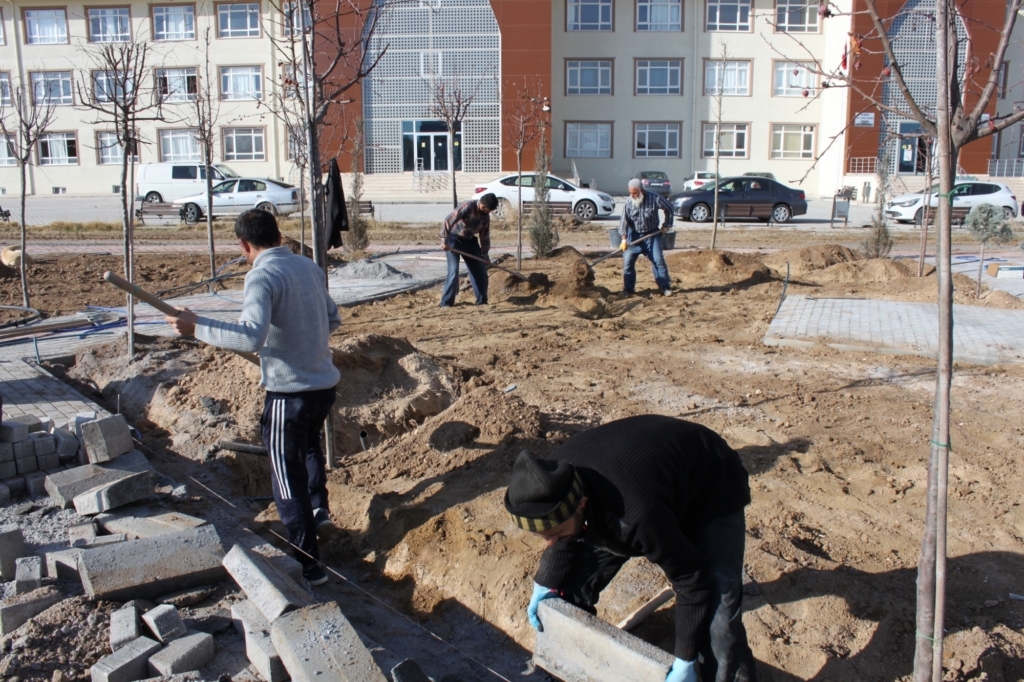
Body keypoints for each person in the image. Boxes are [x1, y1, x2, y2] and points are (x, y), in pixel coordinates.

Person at [504, 415, 757, 682]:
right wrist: (546, 583)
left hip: (710, 484)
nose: (550, 543)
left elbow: (692, 580)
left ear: (581, 504)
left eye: (554, 534)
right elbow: (565, 533)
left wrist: (685, 659)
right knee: (569, 586)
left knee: (718, 625)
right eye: (544, 535)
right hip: (646, 485)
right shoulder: (551, 481)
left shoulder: (634, 517)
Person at [164, 209, 341, 587]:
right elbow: (333, 319)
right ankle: (318, 509)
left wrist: (196, 328)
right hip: (323, 387)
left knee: (284, 475)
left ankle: (309, 564)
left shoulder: (261, 275)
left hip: (288, 395)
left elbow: (248, 338)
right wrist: (301, 334)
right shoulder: (309, 268)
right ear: (278, 235)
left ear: (244, 245)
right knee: (309, 449)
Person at [439, 193, 498, 307]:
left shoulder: (485, 217)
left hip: (470, 241)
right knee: (453, 270)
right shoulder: (467, 206)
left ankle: (482, 302)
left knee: (480, 271)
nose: (487, 212)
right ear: (482, 204)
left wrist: (484, 256)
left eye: (489, 210)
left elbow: (484, 236)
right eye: (485, 209)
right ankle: (446, 303)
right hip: (453, 239)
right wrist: (444, 241)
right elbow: (448, 221)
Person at [619, 178, 675, 297]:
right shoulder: (628, 202)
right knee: (628, 262)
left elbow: (669, 208)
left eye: (634, 193)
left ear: (641, 190)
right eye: (630, 193)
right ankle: (628, 289)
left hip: (651, 235)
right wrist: (624, 239)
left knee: (658, 260)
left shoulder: (655, 198)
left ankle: (665, 287)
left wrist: (667, 225)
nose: (632, 195)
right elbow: (623, 221)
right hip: (634, 236)